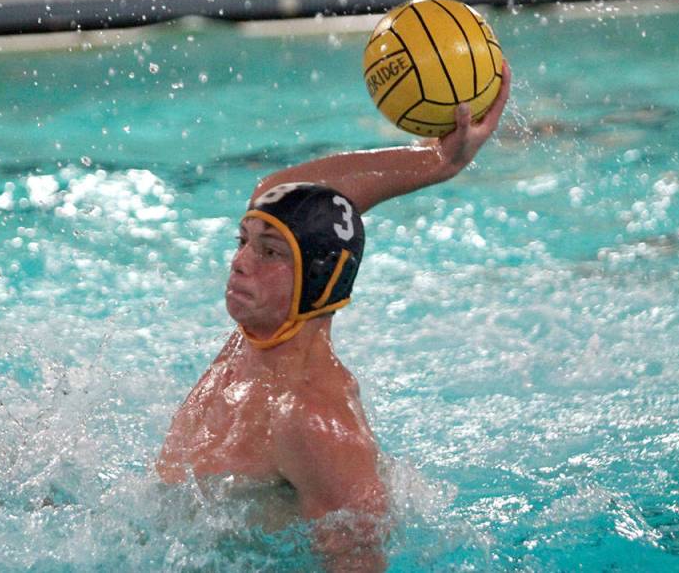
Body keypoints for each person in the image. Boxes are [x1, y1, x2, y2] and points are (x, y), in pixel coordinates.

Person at [158, 62, 512, 571]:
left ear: (316, 281)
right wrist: (437, 162)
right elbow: (280, 191)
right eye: (243, 242)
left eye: (270, 252)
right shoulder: (253, 343)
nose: (240, 261)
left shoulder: (315, 420)